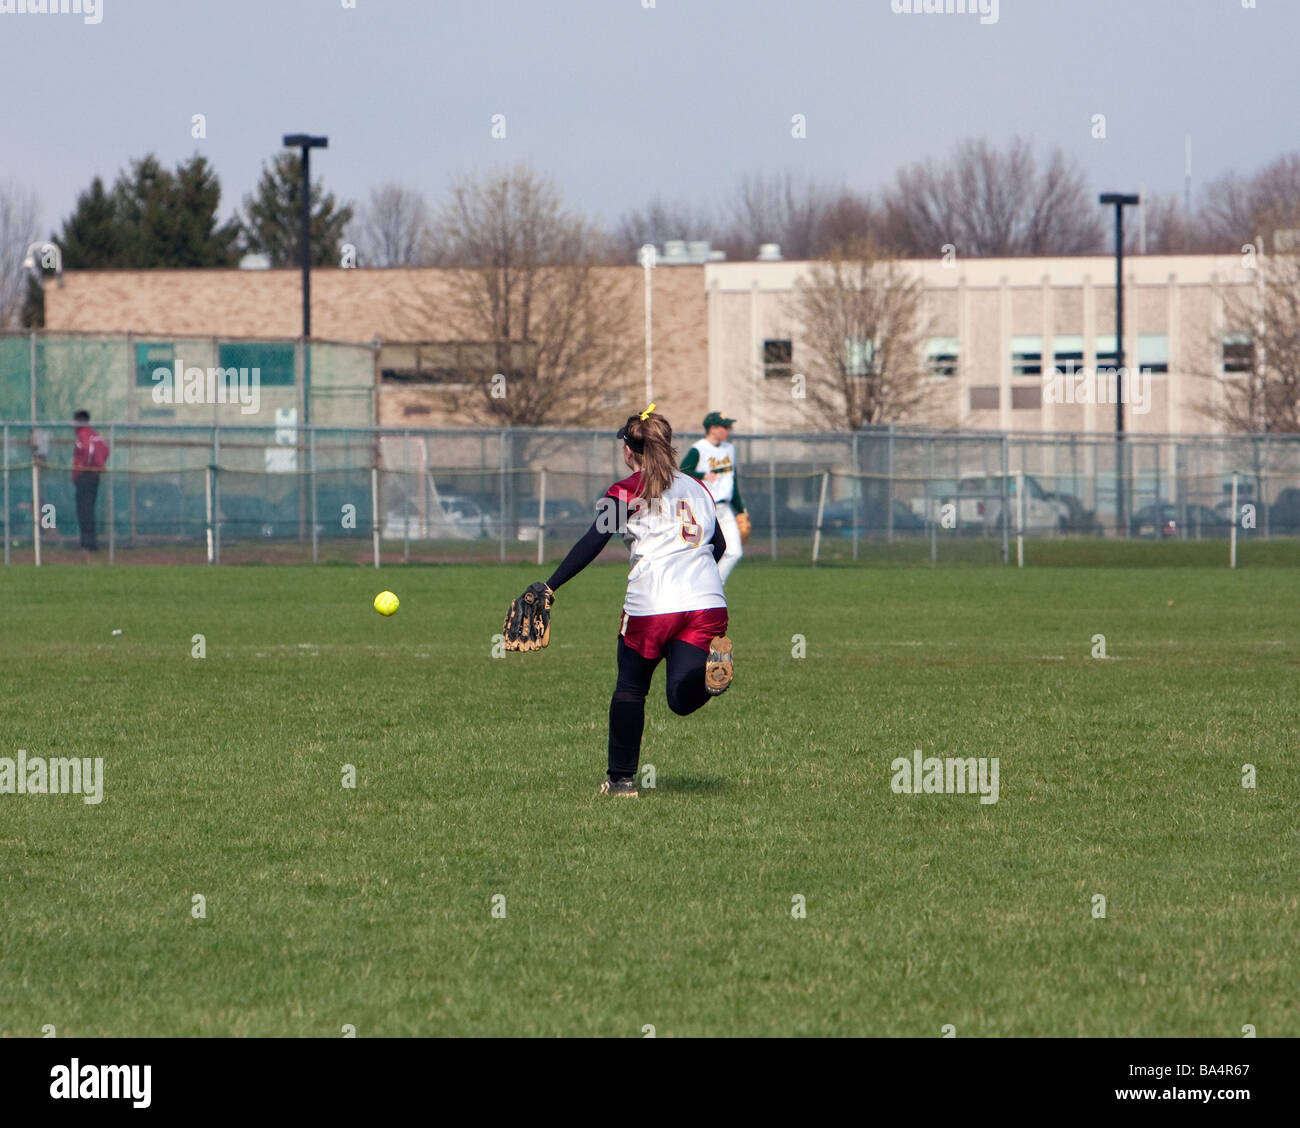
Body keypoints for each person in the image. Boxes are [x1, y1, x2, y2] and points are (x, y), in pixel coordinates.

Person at [501, 406, 733, 798]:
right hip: (707, 602)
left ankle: (622, 780)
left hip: (652, 604)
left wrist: (551, 585)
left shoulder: (626, 491)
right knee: (680, 696)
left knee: (630, 688)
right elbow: (720, 545)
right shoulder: (699, 488)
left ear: (630, 450)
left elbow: (594, 541)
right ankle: (708, 677)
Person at [681, 411, 746, 583]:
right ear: (712, 429)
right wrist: (702, 474)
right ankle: (696, 585)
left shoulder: (729, 449)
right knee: (700, 552)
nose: (728, 430)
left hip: (725, 508)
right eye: (725, 427)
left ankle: (713, 585)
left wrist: (741, 510)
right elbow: (682, 472)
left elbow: (733, 481)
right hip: (705, 507)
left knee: (734, 552)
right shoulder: (699, 449)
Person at [71, 410, 110, 552]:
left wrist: (86, 466)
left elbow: (89, 450)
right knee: (89, 509)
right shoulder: (95, 434)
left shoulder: (83, 435)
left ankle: (87, 544)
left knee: (84, 510)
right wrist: (99, 465)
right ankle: (90, 542)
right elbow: (105, 450)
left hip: (86, 476)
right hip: (94, 476)